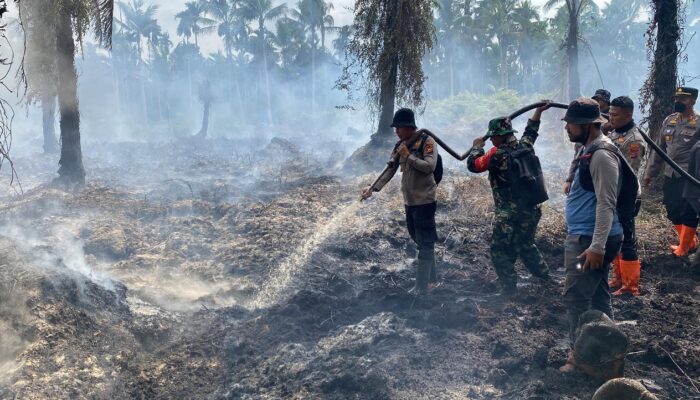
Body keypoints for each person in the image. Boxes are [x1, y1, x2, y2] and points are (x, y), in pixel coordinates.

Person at [559, 98, 624, 372]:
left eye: (571, 124)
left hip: (590, 241)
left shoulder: (602, 155)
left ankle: (581, 359)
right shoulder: (588, 149)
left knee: (575, 296)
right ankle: (610, 353)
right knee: (597, 293)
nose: (567, 129)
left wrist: (597, 246)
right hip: (587, 237)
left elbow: (606, 203)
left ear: (587, 125)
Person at [465, 103, 552, 295]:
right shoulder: (525, 146)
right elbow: (531, 131)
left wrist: (476, 147)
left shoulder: (496, 154)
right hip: (531, 210)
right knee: (526, 244)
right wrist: (538, 112)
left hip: (508, 214)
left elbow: (474, 165)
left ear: (498, 135)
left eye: (493, 136)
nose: (492, 139)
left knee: (500, 251)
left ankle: (509, 288)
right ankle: (546, 277)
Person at [361, 108, 439, 295]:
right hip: (410, 201)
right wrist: (372, 189)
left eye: (400, 127)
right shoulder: (399, 145)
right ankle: (433, 279)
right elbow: (390, 169)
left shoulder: (426, 142)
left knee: (425, 243)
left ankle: (421, 287)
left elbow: (429, 167)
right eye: (395, 128)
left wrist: (408, 156)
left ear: (410, 127)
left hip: (425, 201)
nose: (396, 131)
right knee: (419, 240)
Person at [643, 87, 700, 257]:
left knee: (687, 210)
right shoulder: (670, 120)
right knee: (672, 210)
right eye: (677, 98)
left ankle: (685, 246)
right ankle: (689, 242)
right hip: (670, 174)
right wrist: (649, 173)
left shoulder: (698, 122)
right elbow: (659, 149)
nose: (678, 102)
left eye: (683, 99)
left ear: (692, 100)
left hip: (689, 175)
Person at [607, 96, 646, 296]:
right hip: (613, 195)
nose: (610, 117)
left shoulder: (634, 140)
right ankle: (618, 278)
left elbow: (630, 173)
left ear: (628, 114)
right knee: (615, 236)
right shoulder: (614, 133)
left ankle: (631, 286)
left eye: (615, 114)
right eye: (610, 113)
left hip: (626, 196)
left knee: (627, 239)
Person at [565, 89, 613, 194]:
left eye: (600, 99)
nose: (598, 102)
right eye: (596, 99)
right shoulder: (587, 114)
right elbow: (577, 158)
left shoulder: (612, 119)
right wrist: (569, 179)